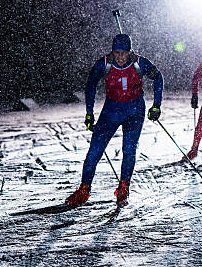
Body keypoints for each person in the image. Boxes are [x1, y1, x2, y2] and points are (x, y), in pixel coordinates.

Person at [66, 33, 163, 207]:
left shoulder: (139, 63)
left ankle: (123, 188)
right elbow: (90, 86)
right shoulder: (104, 64)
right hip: (111, 110)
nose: (120, 57)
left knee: (128, 149)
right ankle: (84, 190)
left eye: (124, 53)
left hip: (135, 111)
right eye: (116, 53)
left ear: (130, 52)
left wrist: (156, 105)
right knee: (95, 150)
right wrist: (89, 113)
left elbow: (158, 77)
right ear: (112, 51)